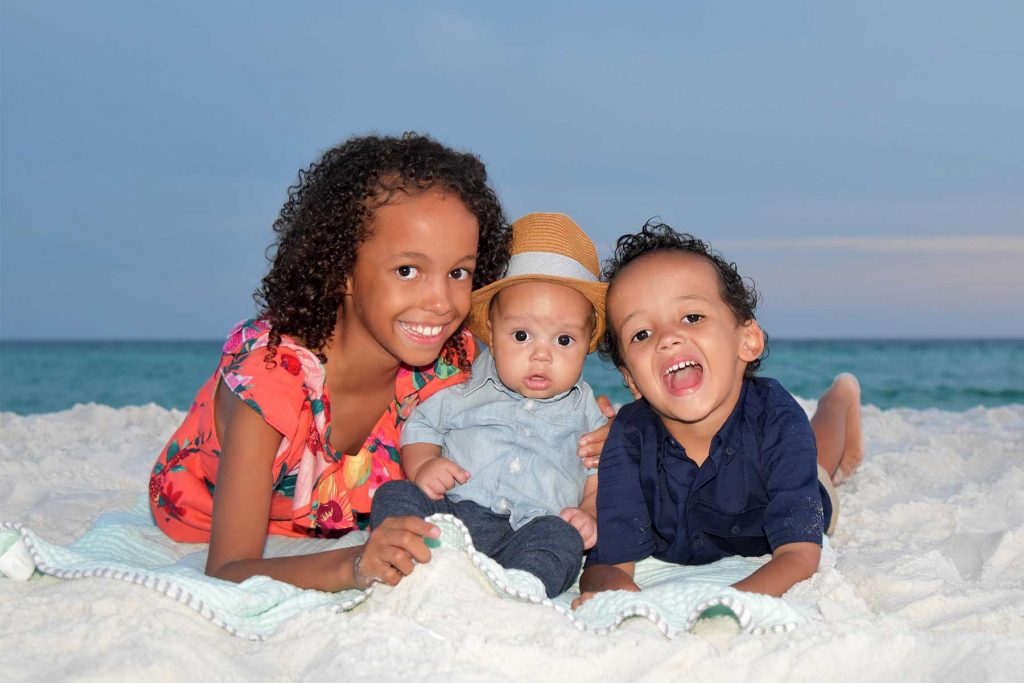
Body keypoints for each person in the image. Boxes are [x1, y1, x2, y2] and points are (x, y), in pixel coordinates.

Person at [148, 134, 612, 593]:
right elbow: (228, 569)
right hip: (200, 513)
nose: (440, 302)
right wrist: (354, 565)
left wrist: (599, 431)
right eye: (407, 270)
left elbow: (532, 383)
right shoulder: (267, 388)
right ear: (342, 268)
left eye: (458, 272)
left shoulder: (448, 362)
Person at [574, 221, 863, 607]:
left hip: (794, 487)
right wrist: (619, 594)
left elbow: (799, 557)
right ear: (632, 380)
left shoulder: (776, 418)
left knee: (821, 464)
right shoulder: (629, 438)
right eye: (641, 334)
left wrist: (719, 606)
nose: (668, 337)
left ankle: (840, 396)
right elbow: (607, 565)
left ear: (748, 340)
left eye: (691, 317)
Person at [370, 213, 608, 597]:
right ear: (493, 338)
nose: (541, 355)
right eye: (521, 335)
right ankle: (416, 569)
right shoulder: (465, 390)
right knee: (396, 496)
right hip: (451, 523)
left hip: (528, 531)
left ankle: (517, 590)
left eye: (564, 341)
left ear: (587, 345)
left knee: (561, 538)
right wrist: (424, 465)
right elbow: (422, 425)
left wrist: (590, 514)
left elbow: (598, 475)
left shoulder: (589, 414)